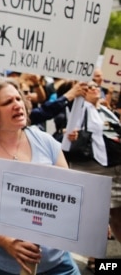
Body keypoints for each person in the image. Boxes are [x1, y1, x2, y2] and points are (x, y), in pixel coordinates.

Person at [0, 76, 79, 274]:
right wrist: (6, 242)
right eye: (7, 102)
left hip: (58, 262)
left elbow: (70, 191)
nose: (17, 105)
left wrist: (89, 216)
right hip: (3, 266)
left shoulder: (45, 141)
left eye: (18, 99)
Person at [64, 79, 121, 271]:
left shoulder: (104, 109)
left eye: (97, 86)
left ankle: (107, 263)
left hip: (114, 167)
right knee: (96, 216)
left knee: (117, 213)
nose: (96, 88)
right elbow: (67, 134)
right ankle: (97, 260)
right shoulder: (79, 109)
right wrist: (70, 135)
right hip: (92, 167)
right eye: (90, 87)